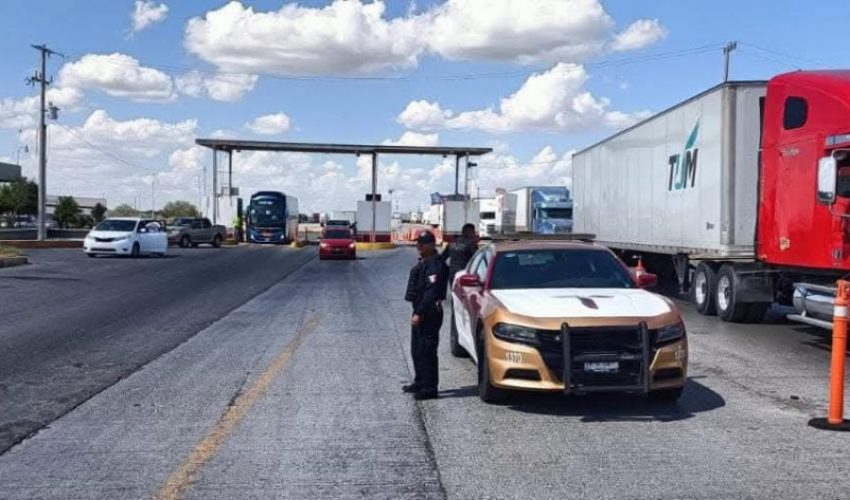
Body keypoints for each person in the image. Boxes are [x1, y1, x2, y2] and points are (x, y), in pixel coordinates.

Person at [403, 230, 449, 400]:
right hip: (421, 309)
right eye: (418, 244)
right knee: (417, 349)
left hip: (429, 312)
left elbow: (431, 293)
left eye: (422, 244)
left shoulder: (435, 265)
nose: (419, 247)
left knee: (427, 351)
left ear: (430, 245)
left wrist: (419, 313)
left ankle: (429, 388)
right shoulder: (425, 262)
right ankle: (420, 381)